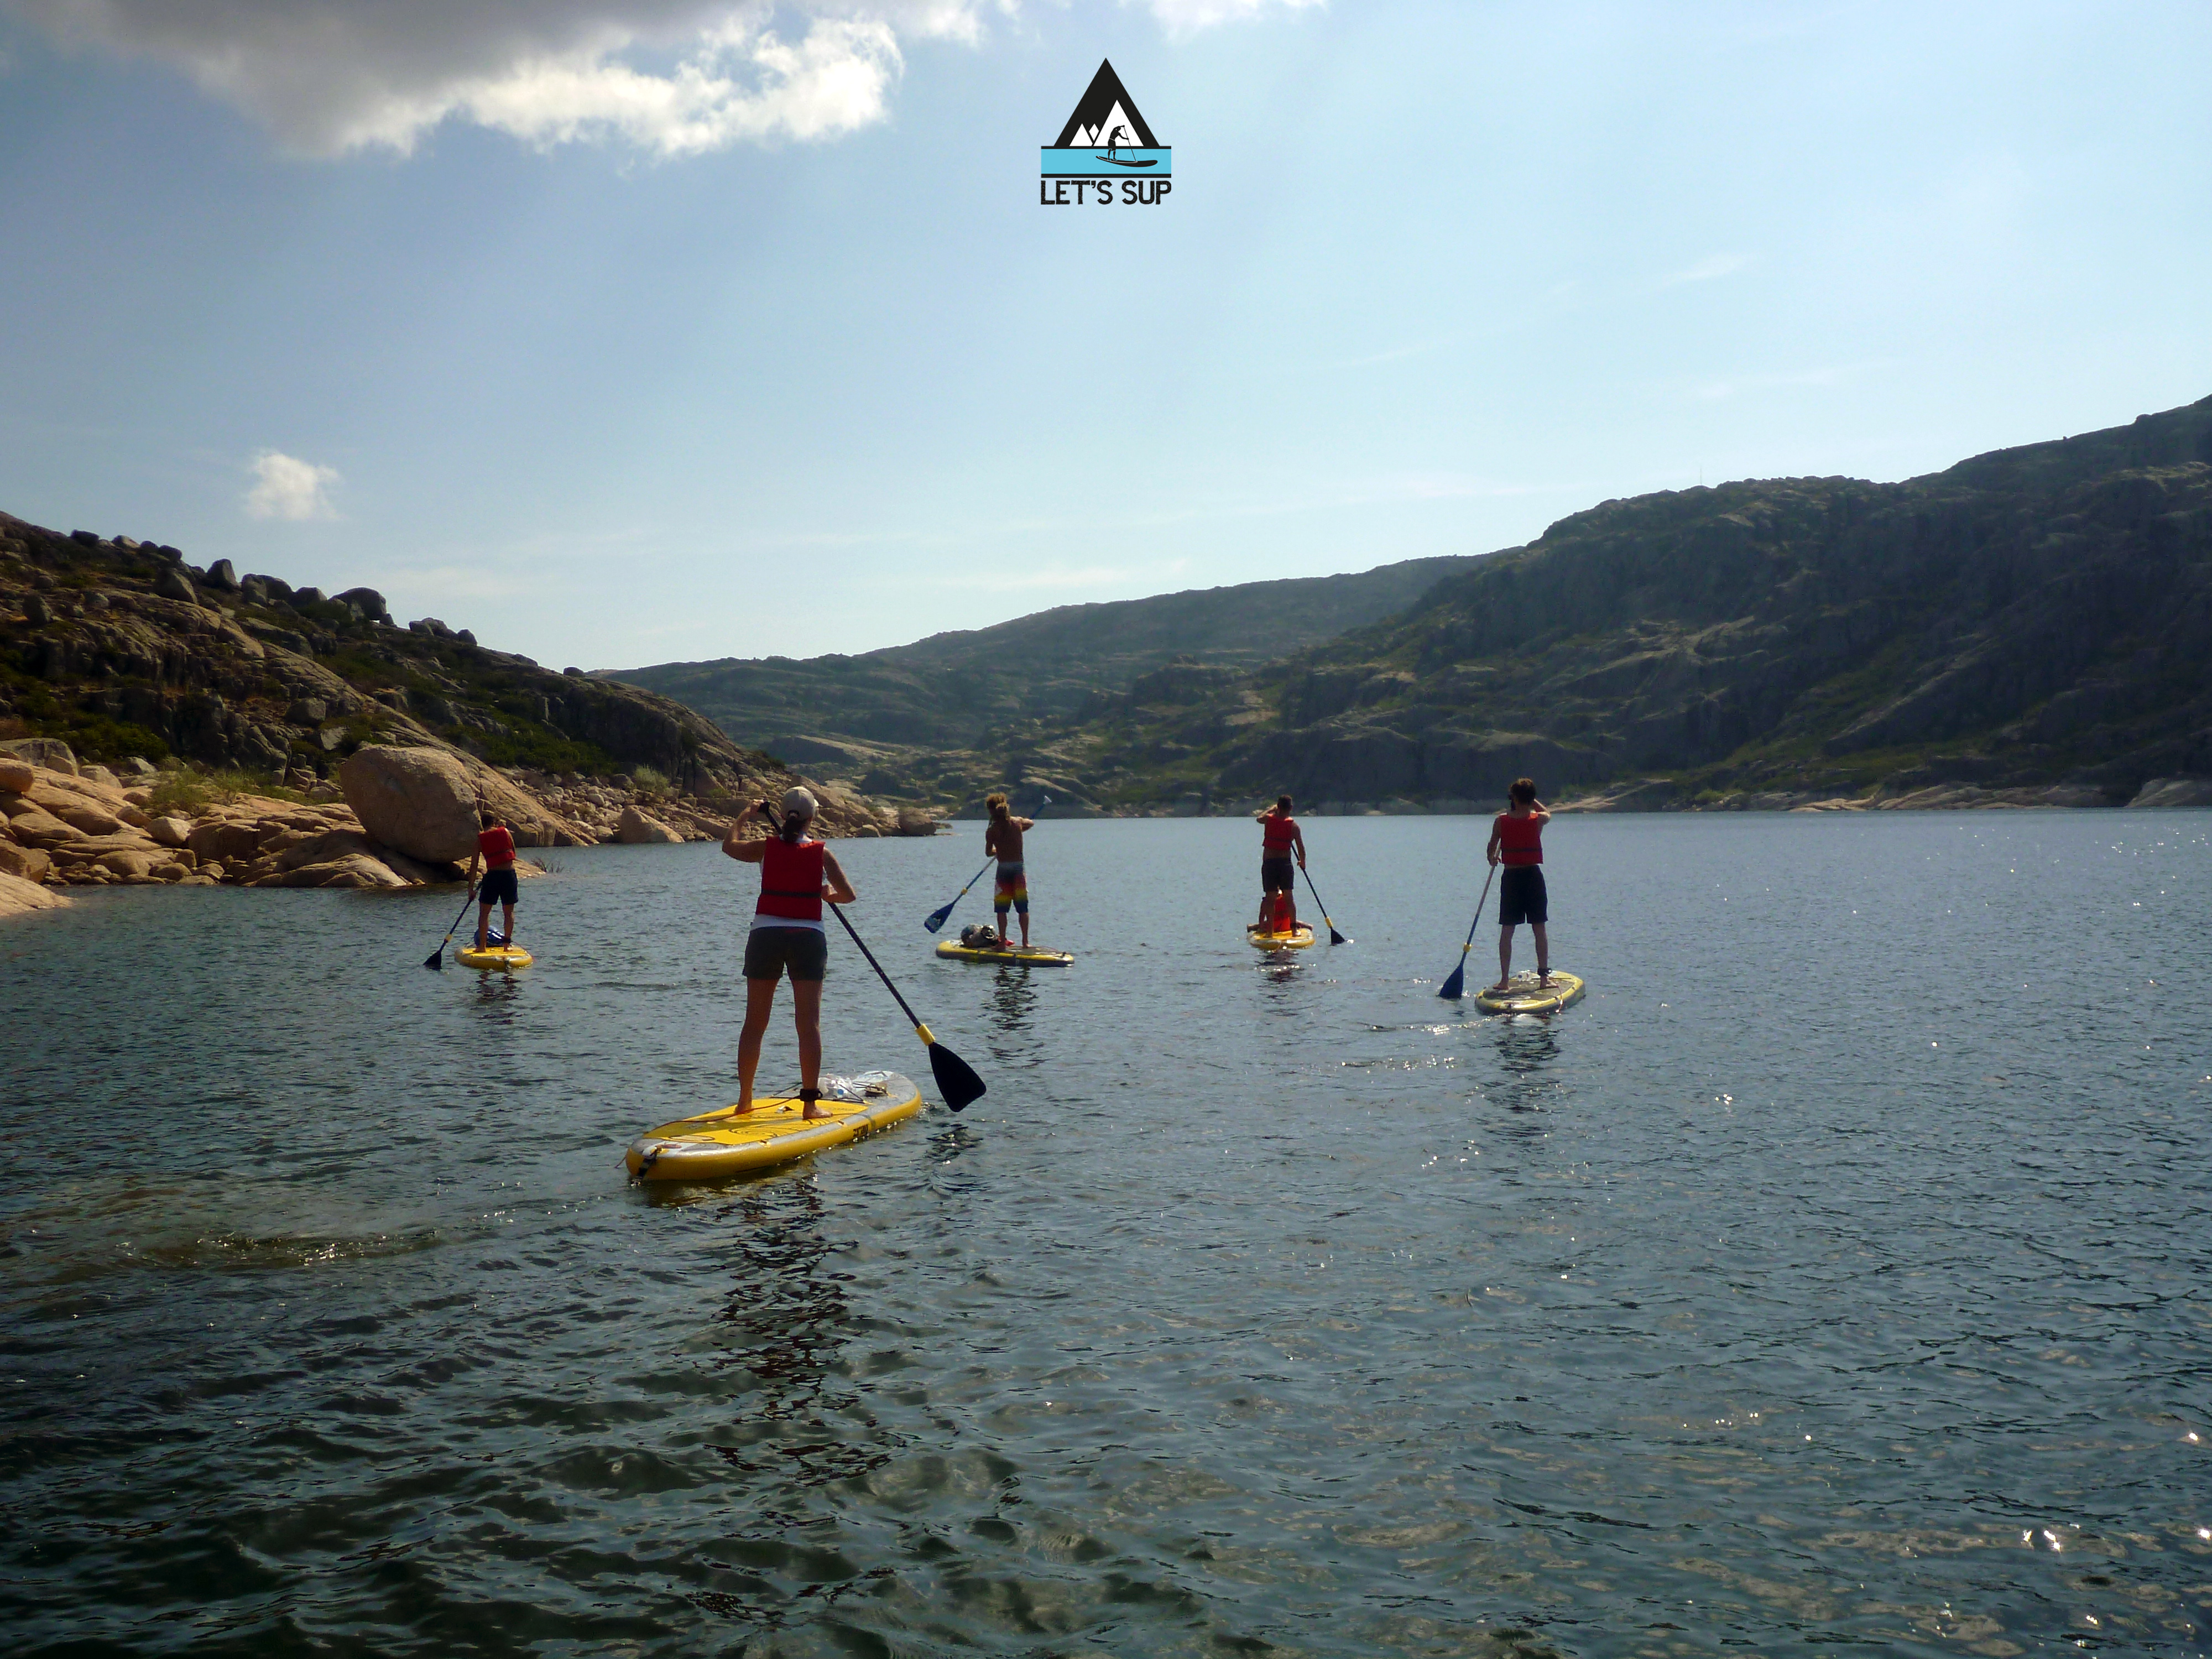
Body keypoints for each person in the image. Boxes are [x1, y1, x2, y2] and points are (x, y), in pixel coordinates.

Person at [724, 787, 855, 1119]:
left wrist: (746, 815)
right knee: (808, 1025)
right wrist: (826, 894)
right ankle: (810, 1105)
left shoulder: (764, 847)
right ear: (812, 818)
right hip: (807, 938)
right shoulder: (822, 854)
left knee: (754, 1023)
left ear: (782, 815)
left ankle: (745, 1101)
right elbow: (848, 895)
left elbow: (729, 846)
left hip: (765, 936)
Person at [1485, 778, 1551, 990]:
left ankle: (1505, 980)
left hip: (1512, 877)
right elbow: (1548, 813)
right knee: (1539, 928)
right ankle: (1543, 979)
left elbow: (1491, 848)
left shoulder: (1501, 821)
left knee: (1508, 929)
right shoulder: (1538, 819)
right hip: (1532, 877)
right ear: (1531, 799)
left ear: (1513, 797)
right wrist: (1531, 801)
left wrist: (1492, 858)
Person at [983, 792, 1036, 948]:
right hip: (1018, 869)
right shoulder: (1018, 823)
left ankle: (1002, 942)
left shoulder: (991, 830)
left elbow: (988, 852)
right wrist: (1019, 829)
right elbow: (1031, 823)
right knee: (1022, 908)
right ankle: (1025, 942)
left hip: (1003, 870)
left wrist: (999, 850)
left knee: (1002, 909)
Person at [466, 807, 519, 950]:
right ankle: (506, 945)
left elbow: (474, 865)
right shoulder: (506, 832)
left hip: (492, 876)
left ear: (482, 825)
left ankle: (482, 947)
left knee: (484, 914)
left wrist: (471, 888)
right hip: (509, 875)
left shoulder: (480, 839)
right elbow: (514, 853)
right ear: (495, 823)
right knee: (509, 913)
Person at [1255, 794, 1305, 935]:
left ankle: (1270, 932)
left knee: (1270, 898)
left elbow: (1259, 819)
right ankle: (1294, 930)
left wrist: (1271, 809)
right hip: (1285, 865)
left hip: (1270, 864)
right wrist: (1303, 862)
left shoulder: (1269, 819)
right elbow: (1301, 847)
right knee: (1289, 897)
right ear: (1291, 808)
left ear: (1278, 807)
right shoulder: (1294, 826)